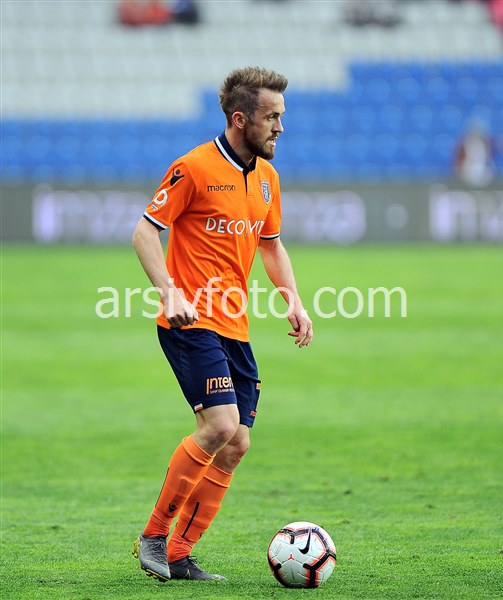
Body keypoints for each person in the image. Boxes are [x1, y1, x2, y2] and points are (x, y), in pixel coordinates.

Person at [131, 66, 313, 582]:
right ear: (240, 119)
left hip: (235, 326)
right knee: (220, 426)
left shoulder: (268, 179)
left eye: (281, 116)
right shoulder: (193, 168)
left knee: (236, 444)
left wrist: (294, 301)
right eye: (271, 117)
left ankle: (180, 553)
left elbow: (271, 245)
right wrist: (170, 292)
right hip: (189, 321)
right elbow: (144, 233)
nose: (280, 127)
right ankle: (153, 537)